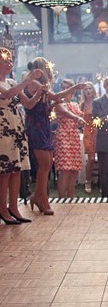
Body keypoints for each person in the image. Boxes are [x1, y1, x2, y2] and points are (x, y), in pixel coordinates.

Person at [25, 57, 86, 215]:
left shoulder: (41, 84)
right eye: (47, 67)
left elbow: (49, 101)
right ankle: (41, 198)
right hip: (37, 126)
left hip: (44, 125)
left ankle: (38, 196)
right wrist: (75, 88)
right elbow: (56, 97)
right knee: (45, 163)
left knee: (46, 164)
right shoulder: (34, 83)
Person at [0, 48, 42, 224]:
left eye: (10, 61)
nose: (9, 64)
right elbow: (7, 95)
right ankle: (2, 209)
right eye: (6, 61)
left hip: (16, 127)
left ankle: (14, 207)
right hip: (3, 128)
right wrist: (27, 80)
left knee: (16, 169)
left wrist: (40, 93)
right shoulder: (6, 85)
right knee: (5, 171)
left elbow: (28, 104)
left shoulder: (11, 81)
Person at [53, 79, 85, 198]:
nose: (65, 90)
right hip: (63, 135)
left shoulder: (75, 104)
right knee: (65, 169)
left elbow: (82, 119)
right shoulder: (58, 102)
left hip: (74, 136)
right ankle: (62, 198)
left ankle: (71, 197)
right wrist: (77, 118)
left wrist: (83, 119)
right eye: (63, 87)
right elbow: (65, 112)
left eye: (68, 88)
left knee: (74, 169)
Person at [79, 82, 98, 193]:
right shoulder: (82, 105)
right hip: (87, 132)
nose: (88, 91)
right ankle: (88, 181)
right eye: (86, 89)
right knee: (90, 159)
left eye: (90, 88)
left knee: (102, 157)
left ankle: (101, 181)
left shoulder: (98, 103)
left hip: (99, 132)